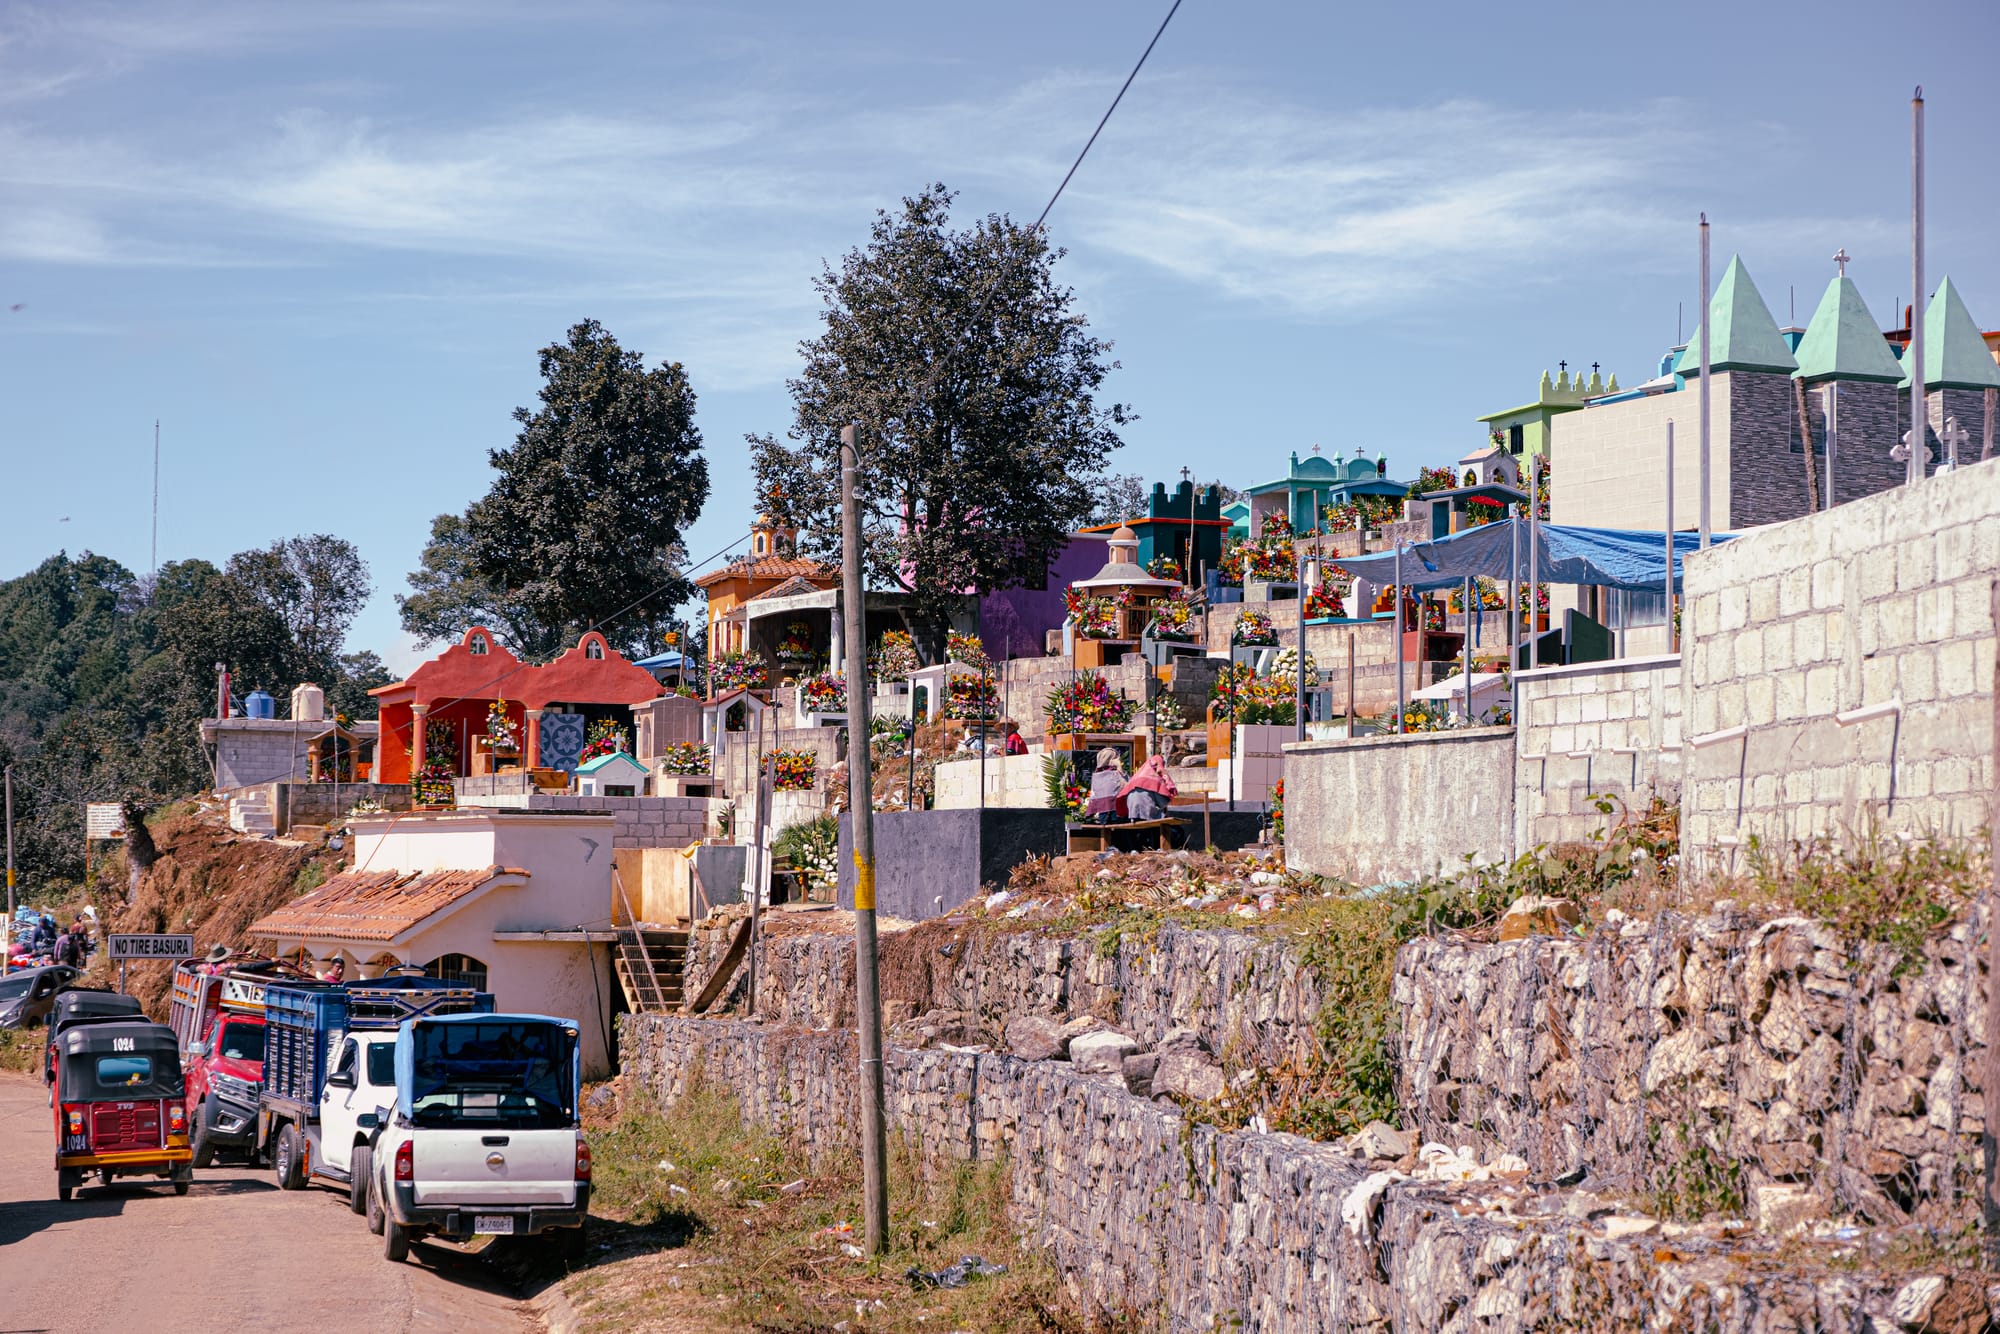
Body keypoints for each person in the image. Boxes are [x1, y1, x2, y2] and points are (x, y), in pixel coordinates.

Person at [1118, 753, 1179, 822]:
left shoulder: (1135, 778)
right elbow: (1163, 803)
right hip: (1146, 815)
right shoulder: (1153, 779)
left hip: (1132, 815)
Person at [1085, 747, 1126, 823]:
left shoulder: (1097, 775)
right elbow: (1128, 786)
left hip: (1103, 816)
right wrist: (1120, 768)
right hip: (1117, 814)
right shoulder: (1115, 774)